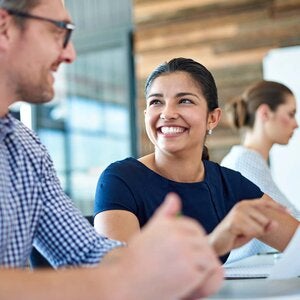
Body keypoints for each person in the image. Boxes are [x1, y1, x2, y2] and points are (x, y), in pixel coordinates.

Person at [0, 1, 224, 299]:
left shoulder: (25, 150)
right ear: (4, 28)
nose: (70, 54)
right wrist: (120, 280)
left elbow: (84, 250)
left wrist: (154, 266)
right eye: (58, 32)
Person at [94, 57, 299, 262]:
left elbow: (295, 240)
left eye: (184, 101)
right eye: (157, 102)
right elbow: (120, 276)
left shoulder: (229, 184)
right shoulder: (120, 180)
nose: (167, 113)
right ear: (147, 114)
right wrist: (214, 244)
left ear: (213, 118)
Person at [221, 80, 300, 261]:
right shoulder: (244, 162)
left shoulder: (250, 160)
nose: (296, 124)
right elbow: (287, 222)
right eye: (291, 113)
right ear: (265, 113)